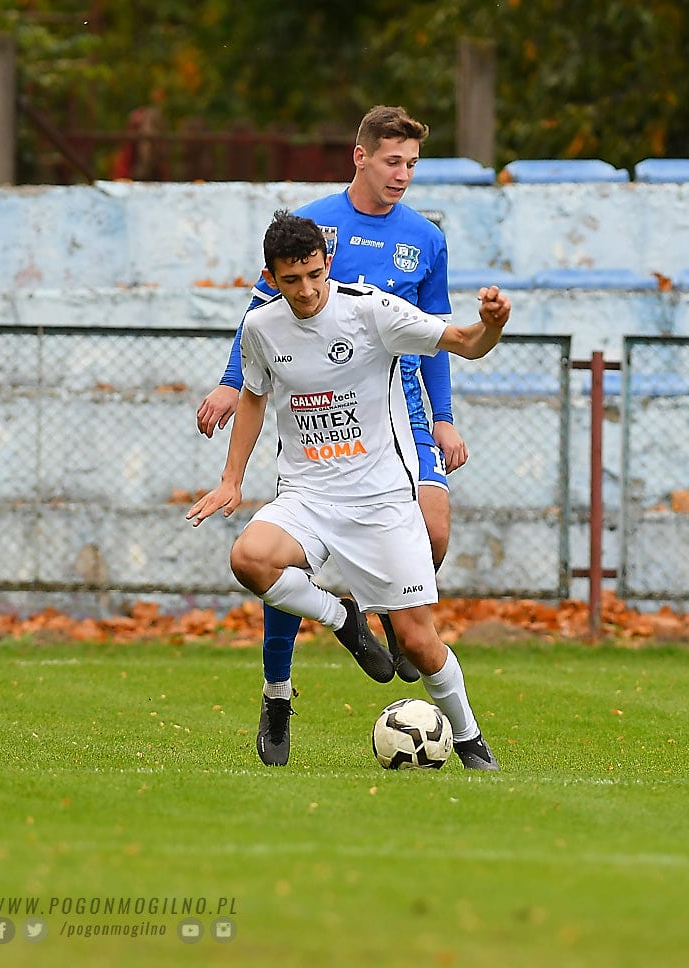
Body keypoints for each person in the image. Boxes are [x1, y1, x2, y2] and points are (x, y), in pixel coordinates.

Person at [187, 211, 508, 771]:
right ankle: (343, 619)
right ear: (272, 277)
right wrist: (231, 479)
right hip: (307, 495)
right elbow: (254, 396)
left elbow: (464, 342)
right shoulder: (261, 327)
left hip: (381, 501)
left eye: (314, 274)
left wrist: (492, 324)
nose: (306, 290)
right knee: (249, 558)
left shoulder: (370, 310)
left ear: (327, 263)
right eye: (291, 280)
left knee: (419, 643)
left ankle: (469, 740)